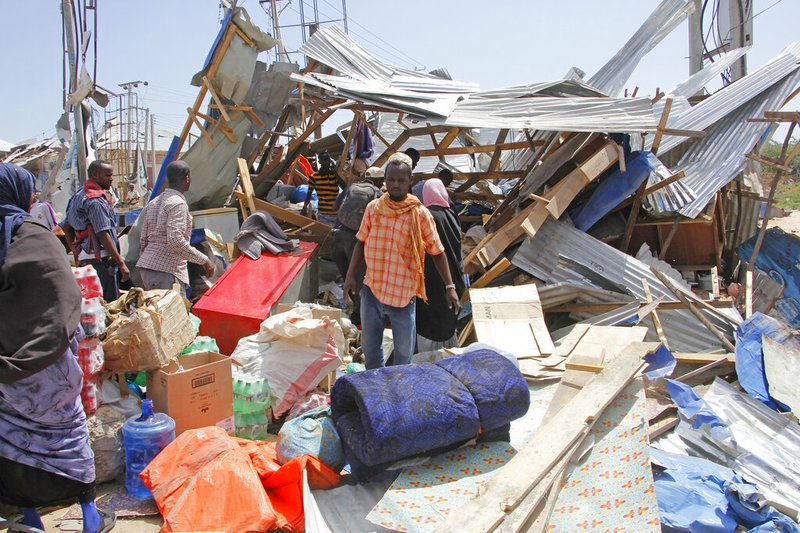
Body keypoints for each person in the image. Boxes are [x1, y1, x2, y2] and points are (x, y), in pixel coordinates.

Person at [0, 163, 115, 533]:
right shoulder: (32, 234)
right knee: (68, 435)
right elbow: (66, 296)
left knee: (14, 443)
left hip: (4, 369)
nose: (34, 196)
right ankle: (90, 518)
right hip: (48, 364)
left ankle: (31, 519)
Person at [343, 153, 461, 369]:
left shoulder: (420, 214)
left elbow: (437, 251)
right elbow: (361, 242)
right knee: (371, 352)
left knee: (403, 357)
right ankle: (375, 392)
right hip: (373, 290)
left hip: (403, 295)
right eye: (391, 180)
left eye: (401, 180)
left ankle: (399, 394)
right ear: (385, 180)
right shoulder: (374, 209)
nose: (395, 185)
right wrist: (351, 276)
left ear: (410, 181)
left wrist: (450, 286)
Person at [136, 161, 214, 292]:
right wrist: (204, 260)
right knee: (172, 311)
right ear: (187, 178)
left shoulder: (154, 202)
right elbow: (175, 242)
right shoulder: (178, 204)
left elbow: (143, 239)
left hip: (148, 269)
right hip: (166, 272)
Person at [62, 160, 129, 302]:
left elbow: (66, 226)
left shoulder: (78, 195)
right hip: (102, 262)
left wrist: (75, 251)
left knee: (91, 303)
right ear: (95, 175)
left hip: (84, 259)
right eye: (108, 175)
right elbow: (102, 233)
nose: (112, 179)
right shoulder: (96, 201)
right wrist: (121, 264)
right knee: (107, 304)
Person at [415, 178, 465, 352]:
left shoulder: (428, 216)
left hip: (435, 279)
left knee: (430, 327)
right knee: (447, 323)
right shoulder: (452, 213)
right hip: (454, 279)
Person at [331, 166, 383, 326]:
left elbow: (335, 207)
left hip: (337, 236)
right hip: (355, 241)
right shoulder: (377, 194)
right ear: (378, 179)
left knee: (346, 274)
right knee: (359, 279)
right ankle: (358, 317)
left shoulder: (351, 187)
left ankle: (351, 305)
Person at [302, 152, 343, 226]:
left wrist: (336, 174)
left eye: (327, 160)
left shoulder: (334, 176)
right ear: (319, 161)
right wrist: (305, 207)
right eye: (323, 160)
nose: (326, 162)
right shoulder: (314, 177)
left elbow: (345, 188)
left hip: (336, 214)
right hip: (323, 214)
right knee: (324, 235)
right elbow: (309, 194)